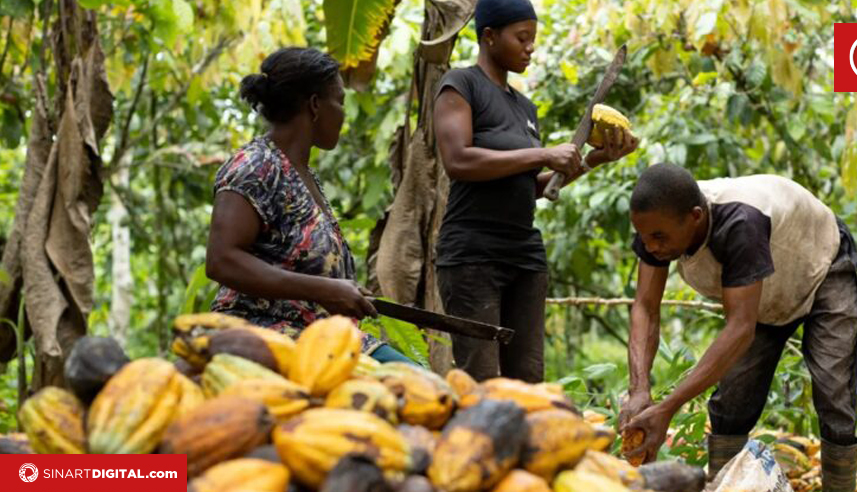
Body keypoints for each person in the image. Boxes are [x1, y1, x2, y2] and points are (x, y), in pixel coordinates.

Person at [619, 164, 857, 492]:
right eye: (643, 236)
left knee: (834, 391)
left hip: (821, 264)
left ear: (695, 217)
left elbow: (740, 328)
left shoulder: (739, 222)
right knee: (733, 399)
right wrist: (639, 388)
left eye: (658, 237)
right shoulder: (657, 224)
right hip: (759, 292)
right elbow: (645, 307)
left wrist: (667, 409)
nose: (649, 245)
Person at [432, 0, 638, 382]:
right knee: (480, 377)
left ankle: (528, 442)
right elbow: (457, 160)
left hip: (524, 256)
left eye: (533, 39)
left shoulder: (523, 107)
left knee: (527, 379)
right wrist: (544, 153)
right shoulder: (461, 85)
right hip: (472, 255)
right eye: (522, 38)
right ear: (489, 37)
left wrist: (594, 160)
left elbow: (535, 186)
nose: (530, 47)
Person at [205, 47, 411, 364]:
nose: (343, 113)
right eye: (340, 102)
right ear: (315, 105)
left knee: (420, 381)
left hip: (325, 335)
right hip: (266, 332)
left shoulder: (302, 172)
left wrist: (341, 292)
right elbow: (222, 260)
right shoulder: (256, 166)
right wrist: (324, 290)